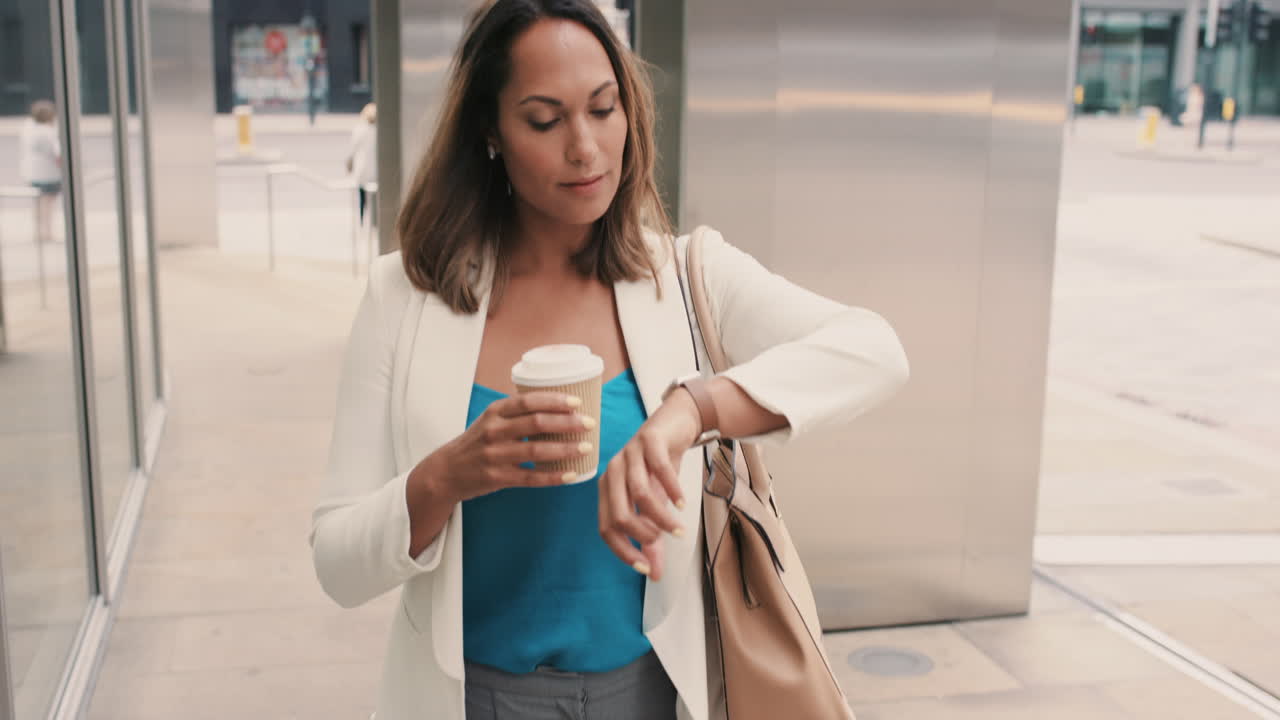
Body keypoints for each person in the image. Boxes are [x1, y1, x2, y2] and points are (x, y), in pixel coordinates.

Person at [309, 1, 910, 719]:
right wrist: (448, 474)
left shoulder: (685, 276)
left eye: (604, 108)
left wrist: (692, 411)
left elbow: (875, 351)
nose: (586, 148)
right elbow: (337, 562)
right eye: (544, 119)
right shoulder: (403, 296)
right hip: (467, 699)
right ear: (490, 132)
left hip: (652, 695)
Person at [17, 100, 63, 244]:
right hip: (49, 173)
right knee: (47, 203)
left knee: (38, 203)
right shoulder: (48, 132)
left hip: (32, 171)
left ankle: (38, 232)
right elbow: (57, 154)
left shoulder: (28, 128)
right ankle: (47, 232)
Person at [346, 102, 377, 225]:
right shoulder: (378, 130)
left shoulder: (360, 130)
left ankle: (362, 221)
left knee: (362, 197)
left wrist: (349, 163)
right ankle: (371, 222)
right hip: (374, 170)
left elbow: (352, 150)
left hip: (362, 169)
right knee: (374, 196)